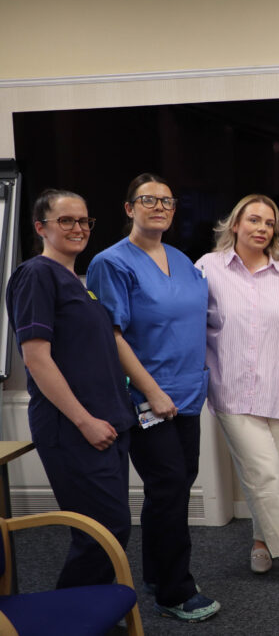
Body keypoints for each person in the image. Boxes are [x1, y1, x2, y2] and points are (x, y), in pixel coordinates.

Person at [86, 173, 220, 622]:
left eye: (167, 201)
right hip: (147, 399)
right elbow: (112, 333)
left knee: (175, 487)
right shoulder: (112, 262)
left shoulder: (183, 261)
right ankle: (175, 591)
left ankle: (157, 573)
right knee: (168, 487)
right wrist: (151, 390)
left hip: (187, 395)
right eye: (148, 200)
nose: (159, 207)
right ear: (129, 209)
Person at [5, 190, 135, 588]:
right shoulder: (35, 275)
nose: (78, 228)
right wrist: (85, 421)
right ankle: (69, 613)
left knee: (109, 530)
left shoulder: (78, 283)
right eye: (66, 221)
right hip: (74, 427)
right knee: (103, 529)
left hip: (108, 423)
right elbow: (37, 360)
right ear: (40, 227)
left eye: (84, 221)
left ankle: (92, 607)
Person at [196, 195, 279, 592]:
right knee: (265, 474)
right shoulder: (207, 269)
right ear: (235, 225)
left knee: (275, 479)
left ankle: (262, 539)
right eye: (253, 219)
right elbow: (192, 326)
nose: (261, 228)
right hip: (233, 392)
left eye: (269, 222)